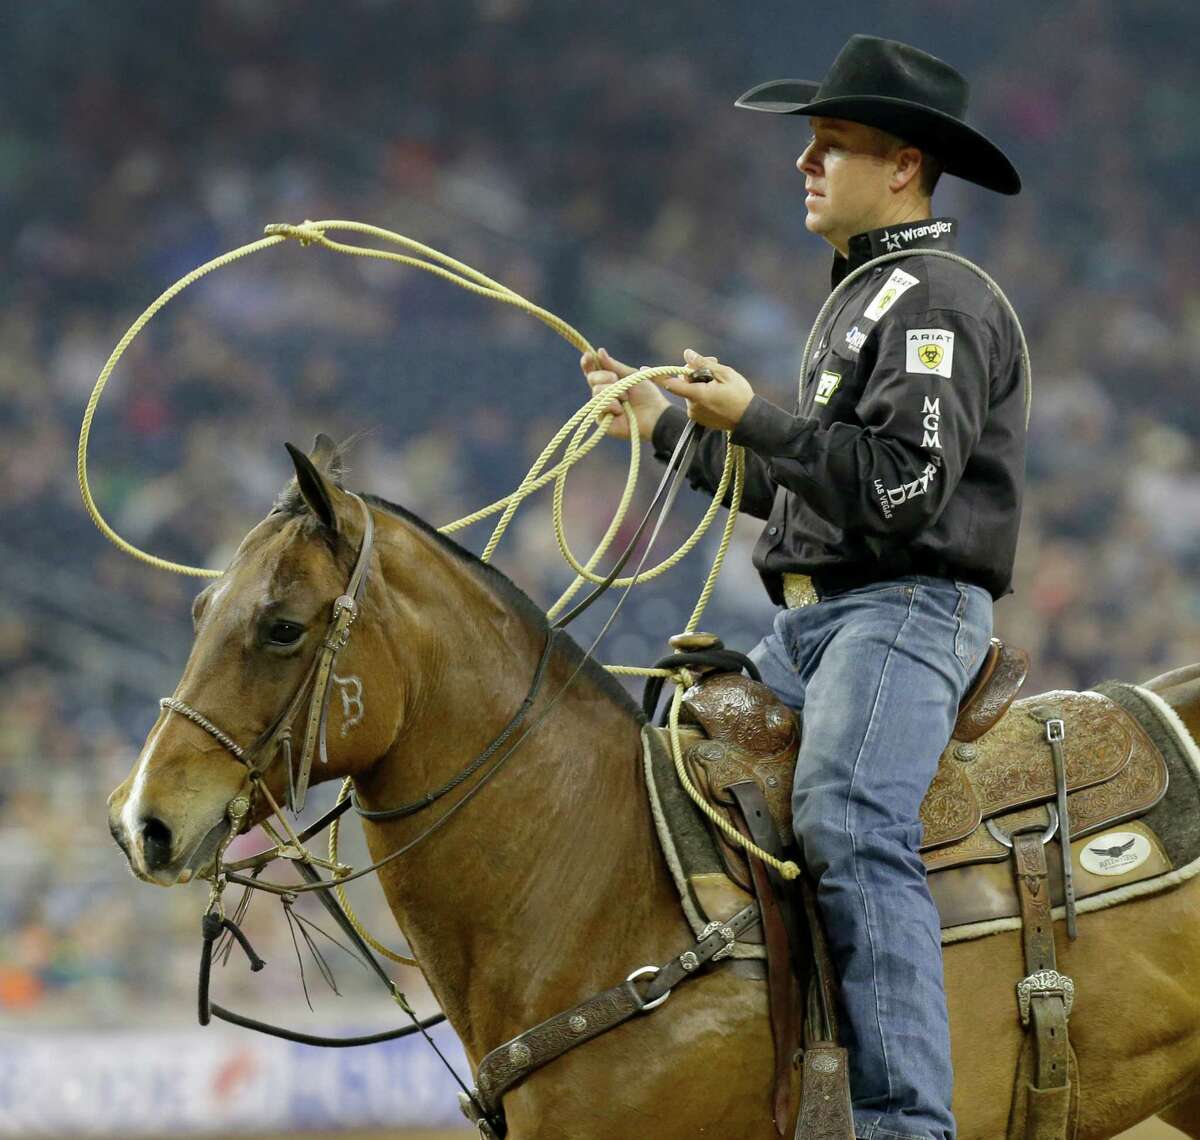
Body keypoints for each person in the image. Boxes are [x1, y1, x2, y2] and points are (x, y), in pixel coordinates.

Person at [581, 35, 1026, 1140]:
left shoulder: (936, 302)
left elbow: (904, 489)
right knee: (667, 769)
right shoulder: (868, 297)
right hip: (822, 622)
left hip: (906, 611)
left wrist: (758, 418)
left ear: (905, 165)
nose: (805, 163)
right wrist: (667, 430)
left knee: (849, 815)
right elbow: (812, 497)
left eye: (832, 144)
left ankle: (904, 1121)